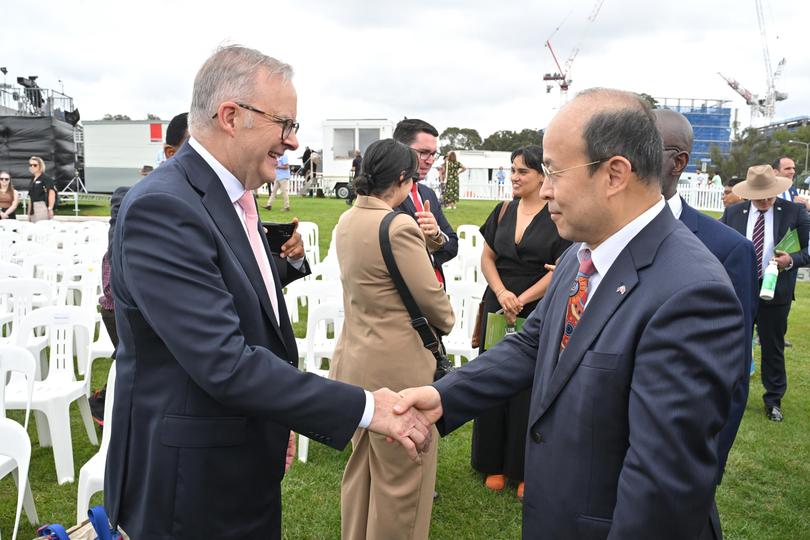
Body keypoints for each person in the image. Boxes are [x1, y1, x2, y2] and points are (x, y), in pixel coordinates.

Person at [104, 46, 432, 539]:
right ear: (231, 116)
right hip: (189, 484)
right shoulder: (164, 208)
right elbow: (224, 361)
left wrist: (275, 419)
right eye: (285, 124)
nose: (294, 142)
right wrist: (369, 407)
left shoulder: (232, 197)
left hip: (237, 454)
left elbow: (245, 304)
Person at [395, 88, 744, 539]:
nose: (545, 188)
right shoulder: (581, 252)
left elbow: (661, 487)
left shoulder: (692, 293)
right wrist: (445, 396)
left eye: (555, 172)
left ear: (615, 174)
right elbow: (533, 344)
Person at [330, 138, 455, 540]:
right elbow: (429, 297)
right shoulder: (396, 224)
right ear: (401, 180)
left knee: (362, 470)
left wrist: (431, 240)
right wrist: (448, 318)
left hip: (354, 358)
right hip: (398, 367)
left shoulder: (348, 219)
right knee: (403, 480)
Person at [654, 109, 758, 536]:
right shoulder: (600, 235)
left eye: (641, 147)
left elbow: (731, 374)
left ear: (677, 163)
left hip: (679, 458)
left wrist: (706, 467)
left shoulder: (725, 248)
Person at [472, 144, 571, 500]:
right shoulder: (502, 211)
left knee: (531, 388)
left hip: (538, 307)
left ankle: (524, 467)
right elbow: (487, 256)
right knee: (491, 380)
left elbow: (562, 267)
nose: (514, 177)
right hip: (498, 305)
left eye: (522, 171)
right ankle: (492, 463)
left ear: (542, 176)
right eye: (512, 170)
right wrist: (501, 294)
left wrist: (523, 299)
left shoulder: (559, 214)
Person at [721, 164, 810, 422]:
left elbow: (806, 251)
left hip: (776, 292)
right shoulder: (734, 213)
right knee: (735, 346)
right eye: (758, 197)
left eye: (768, 196)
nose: (764, 201)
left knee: (773, 347)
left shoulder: (794, 212)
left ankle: (773, 400)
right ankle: (730, 395)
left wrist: (790, 260)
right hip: (740, 292)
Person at [393, 118, 458, 285]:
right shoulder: (385, 196)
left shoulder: (427, 193)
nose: (429, 160)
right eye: (423, 152)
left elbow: (453, 245)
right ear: (400, 149)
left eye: (433, 154)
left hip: (435, 292)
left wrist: (436, 235)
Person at [26, 156, 56, 222]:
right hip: (33, 206)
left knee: (41, 228)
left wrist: (50, 208)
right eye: (30, 165)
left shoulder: (45, 178)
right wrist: (29, 213)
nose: (32, 167)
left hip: (42, 206)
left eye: (35, 165)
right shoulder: (32, 179)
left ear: (40, 166)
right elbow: (30, 196)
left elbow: (52, 193)